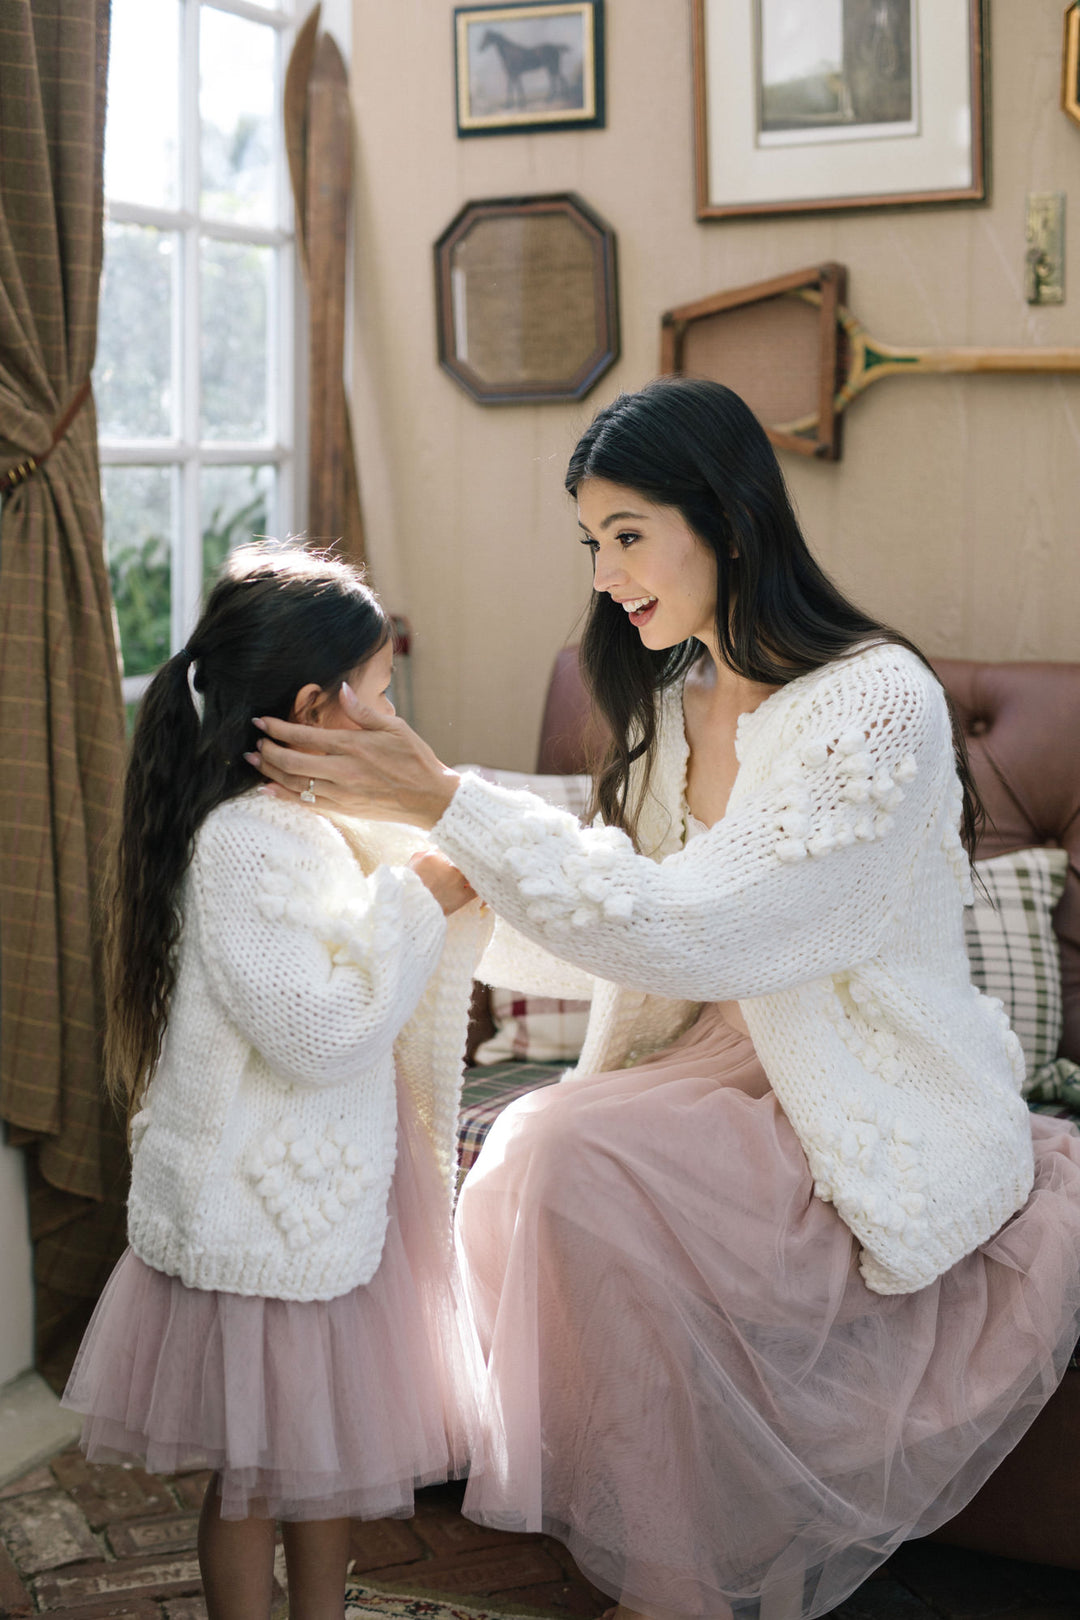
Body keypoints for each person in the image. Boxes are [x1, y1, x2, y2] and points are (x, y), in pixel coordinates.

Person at [251, 380, 1080, 1620]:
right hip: (701, 1062)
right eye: (592, 542)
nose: (605, 573)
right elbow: (615, 941)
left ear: (731, 523)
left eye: (629, 534)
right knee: (552, 1150)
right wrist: (411, 867)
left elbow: (717, 929)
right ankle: (674, 1576)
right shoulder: (657, 704)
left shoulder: (875, 698)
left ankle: (678, 1588)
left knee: (560, 1146)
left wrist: (451, 803)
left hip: (849, 1091)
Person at [64, 544, 489, 1620]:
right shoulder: (246, 846)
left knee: (323, 1457)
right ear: (314, 706)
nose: (395, 721)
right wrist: (416, 902)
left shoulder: (296, 824)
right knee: (257, 1474)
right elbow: (318, 1026)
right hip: (267, 1215)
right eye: (383, 696)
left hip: (323, 1196)